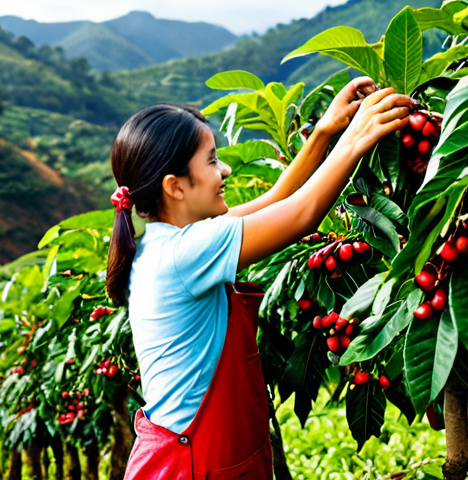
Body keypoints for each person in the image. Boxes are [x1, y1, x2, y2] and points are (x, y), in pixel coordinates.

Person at [105, 77, 412, 479]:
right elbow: (302, 215)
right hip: (196, 462)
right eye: (212, 160)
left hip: (198, 454)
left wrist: (322, 134)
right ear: (175, 187)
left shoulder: (171, 243)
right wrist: (356, 139)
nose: (225, 169)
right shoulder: (187, 252)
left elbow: (276, 202)